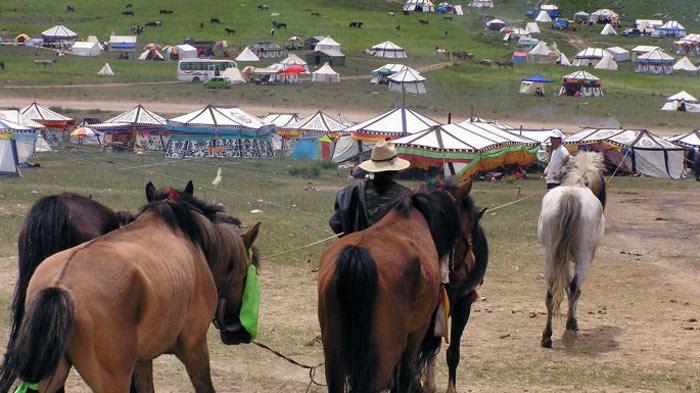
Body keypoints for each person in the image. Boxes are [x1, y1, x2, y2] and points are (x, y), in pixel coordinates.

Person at [329, 140, 411, 236]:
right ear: (395, 171)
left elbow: (335, 222)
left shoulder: (350, 193)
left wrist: (350, 238)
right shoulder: (405, 196)